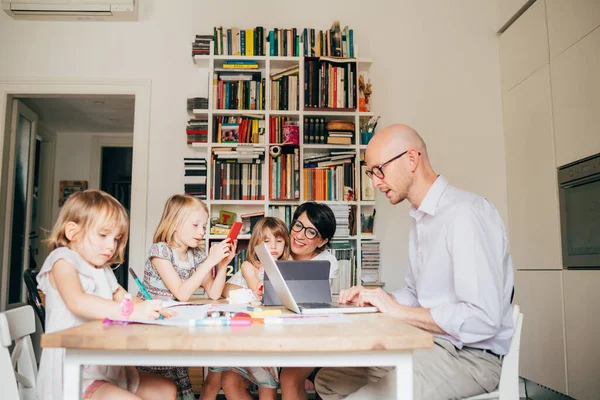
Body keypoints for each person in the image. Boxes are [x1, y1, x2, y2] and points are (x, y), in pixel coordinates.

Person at [315, 124, 515, 399]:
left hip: (469, 358)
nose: (374, 182)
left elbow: (482, 319)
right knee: (328, 380)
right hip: (427, 344)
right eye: (370, 173)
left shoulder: (466, 214)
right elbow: (414, 293)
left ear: (411, 159)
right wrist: (377, 298)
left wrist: (397, 311)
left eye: (378, 170)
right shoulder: (421, 218)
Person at [36, 190, 176, 400]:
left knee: (166, 389)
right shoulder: (63, 260)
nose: (111, 246)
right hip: (75, 371)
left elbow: (125, 297)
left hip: (106, 367)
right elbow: (78, 302)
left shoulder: (102, 269)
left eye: (116, 238)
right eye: (103, 235)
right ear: (72, 232)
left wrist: (155, 308)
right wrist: (131, 311)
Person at [137, 194, 236, 400]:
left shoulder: (197, 254)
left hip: (175, 326)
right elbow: (181, 293)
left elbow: (214, 293)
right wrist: (209, 261)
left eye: (204, 226)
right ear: (174, 223)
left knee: (176, 380)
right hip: (154, 328)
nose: (202, 231)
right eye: (195, 225)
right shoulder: (160, 251)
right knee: (159, 381)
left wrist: (223, 263)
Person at [215, 217, 292, 399]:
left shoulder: (288, 265)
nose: (273, 246)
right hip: (248, 335)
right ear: (256, 244)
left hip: (272, 335)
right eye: (266, 241)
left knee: (268, 387)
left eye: (279, 241)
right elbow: (256, 289)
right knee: (229, 383)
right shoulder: (249, 266)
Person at [279, 202, 339, 400]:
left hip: (313, 333)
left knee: (289, 379)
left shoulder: (327, 262)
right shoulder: (278, 250)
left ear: (322, 241)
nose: (300, 235)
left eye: (311, 232)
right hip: (282, 331)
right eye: (298, 225)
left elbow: (305, 297)